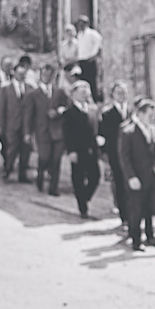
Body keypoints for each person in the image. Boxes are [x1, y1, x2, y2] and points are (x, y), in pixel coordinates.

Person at [119, 99, 155, 255]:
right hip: (137, 179)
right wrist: (131, 177)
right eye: (150, 114)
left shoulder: (154, 131)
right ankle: (137, 241)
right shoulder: (128, 132)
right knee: (137, 211)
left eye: (154, 115)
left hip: (154, 178)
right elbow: (125, 158)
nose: (153, 118)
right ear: (141, 114)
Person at [62, 81, 102, 218]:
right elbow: (67, 133)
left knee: (95, 176)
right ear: (73, 94)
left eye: (86, 92)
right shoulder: (69, 112)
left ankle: (85, 197)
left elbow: (97, 127)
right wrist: (71, 151)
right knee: (78, 178)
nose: (85, 94)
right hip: (78, 150)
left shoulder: (93, 109)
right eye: (81, 92)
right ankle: (82, 207)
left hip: (92, 149)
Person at [29, 64, 70, 195]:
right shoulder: (33, 94)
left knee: (56, 160)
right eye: (44, 75)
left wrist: (58, 111)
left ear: (53, 77)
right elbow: (29, 115)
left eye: (49, 75)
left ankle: (53, 188)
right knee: (45, 157)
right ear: (40, 76)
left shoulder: (59, 92)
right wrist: (28, 132)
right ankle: (40, 175)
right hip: (42, 131)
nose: (47, 78)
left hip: (57, 131)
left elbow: (68, 106)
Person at [99, 80, 132, 226]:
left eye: (124, 92)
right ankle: (124, 216)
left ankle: (134, 214)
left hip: (132, 153)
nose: (122, 95)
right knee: (119, 184)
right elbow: (102, 136)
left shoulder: (132, 111)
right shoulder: (107, 113)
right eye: (118, 92)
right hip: (115, 154)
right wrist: (104, 155)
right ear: (113, 95)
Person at [0, 56, 34, 183]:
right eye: (20, 74)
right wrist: (1, 125)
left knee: (26, 151)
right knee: (12, 148)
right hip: (11, 124)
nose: (22, 76)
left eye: (24, 74)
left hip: (26, 125)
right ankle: (8, 170)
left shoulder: (30, 88)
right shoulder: (5, 88)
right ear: (14, 74)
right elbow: (1, 109)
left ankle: (22, 174)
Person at [75, 15, 103, 100]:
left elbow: (99, 45)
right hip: (82, 61)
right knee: (83, 81)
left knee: (92, 82)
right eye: (79, 24)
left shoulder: (92, 34)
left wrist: (94, 56)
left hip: (90, 61)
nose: (80, 26)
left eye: (82, 23)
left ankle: (94, 99)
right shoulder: (79, 35)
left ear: (87, 23)